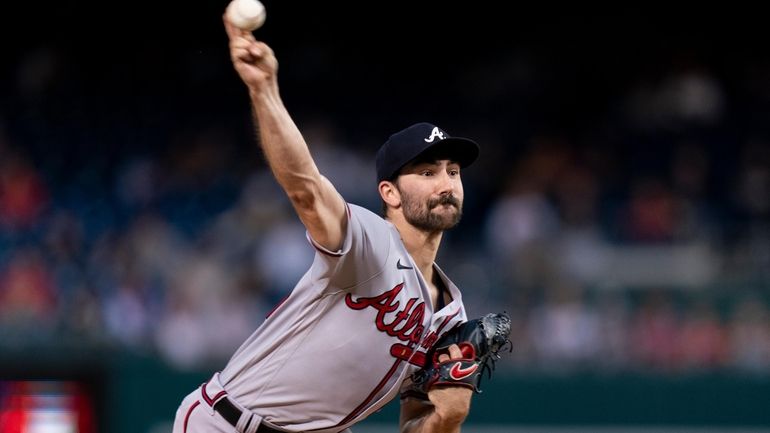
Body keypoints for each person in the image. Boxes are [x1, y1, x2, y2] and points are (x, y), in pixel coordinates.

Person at [172, 11, 482, 433]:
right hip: (231, 425)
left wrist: (449, 415)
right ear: (389, 193)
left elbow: (415, 428)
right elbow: (306, 188)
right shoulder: (372, 243)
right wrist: (264, 90)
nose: (445, 182)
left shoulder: (452, 314)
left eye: (453, 171)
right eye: (427, 173)